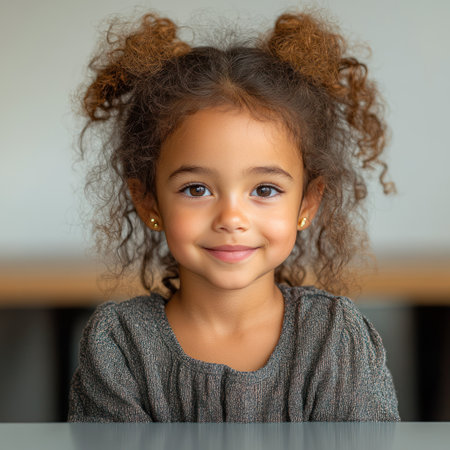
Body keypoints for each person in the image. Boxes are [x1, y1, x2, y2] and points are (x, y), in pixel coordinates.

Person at [68, 9, 400, 422]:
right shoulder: (119, 345)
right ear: (148, 202)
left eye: (264, 190)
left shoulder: (335, 339)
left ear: (308, 204)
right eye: (197, 189)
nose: (231, 217)